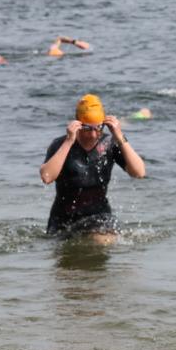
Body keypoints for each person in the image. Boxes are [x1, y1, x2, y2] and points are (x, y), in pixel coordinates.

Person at [40, 94, 146, 243]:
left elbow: (139, 172)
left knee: (102, 240)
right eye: (87, 129)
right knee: (64, 263)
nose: (93, 134)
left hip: (99, 216)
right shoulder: (60, 144)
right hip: (63, 218)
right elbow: (46, 176)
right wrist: (69, 141)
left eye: (98, 128)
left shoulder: (110, 144)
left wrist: (119, 135)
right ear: (77, 124)